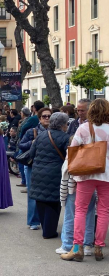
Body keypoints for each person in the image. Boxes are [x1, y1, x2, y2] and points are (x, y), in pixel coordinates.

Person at [61, 99, 109, 262]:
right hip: (106, 174)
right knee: (103, 211)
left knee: (80, 210)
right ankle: (98, 247)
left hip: (86, 173)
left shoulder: (83, 128)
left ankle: (77, 248)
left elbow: (72, 152)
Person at [29, 112, 70, 239]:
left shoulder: (41, 136)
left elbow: (31, 154)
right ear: (63, 124)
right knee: (53, 203)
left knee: (41, 201)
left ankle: (46, 228)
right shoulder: (65, 138)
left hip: (38, 173)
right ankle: (49, 231)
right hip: (55, 173)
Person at [57, 136, 96, 256]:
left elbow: (65, 175)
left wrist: (63, 196)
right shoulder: (94, 154)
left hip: (74, 188)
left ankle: (68, 246)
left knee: (71, 216)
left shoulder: (72, 155)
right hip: (92, 188)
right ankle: (87, 245)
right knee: (89, 217)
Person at [19, 107, 51, 229]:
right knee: (33, 194)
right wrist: (32, 142)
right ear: (39, 118)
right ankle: (33, 221)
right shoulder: (32, 131)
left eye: (49, 116)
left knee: (48, 195)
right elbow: (21, 145)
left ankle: (47, 220)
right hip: (33, 165)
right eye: (44, 116)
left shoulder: (56, 131)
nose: (47, 118)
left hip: (49, 167)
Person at [15, 107, 31, 188]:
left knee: (21, 160)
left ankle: (24, 181)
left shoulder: (25, 121)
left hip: (23, 143)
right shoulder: (26, 121)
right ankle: (24, 180)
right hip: (23, 142)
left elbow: (21, 131)